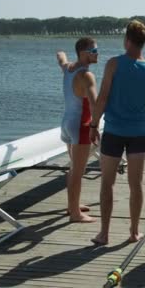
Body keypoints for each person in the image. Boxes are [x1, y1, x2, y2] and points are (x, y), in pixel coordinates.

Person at [89, 20, 145, 244]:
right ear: (143, 43)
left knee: (107, 183)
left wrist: (93, 124)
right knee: (135, 184)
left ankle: (104, 233)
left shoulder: (113, 64)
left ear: (127, 40)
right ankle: (133, 231)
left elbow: (102, 98)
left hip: (114, 131)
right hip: (139, 131)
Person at [56, 37, 99, 223]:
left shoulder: (68, 68)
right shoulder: (87, 76)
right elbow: (95, 103)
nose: (98, 54)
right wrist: (94, 126)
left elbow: (60, 57)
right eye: (94, 51)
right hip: (80, 124)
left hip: (66, 122)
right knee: (77, 171)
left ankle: (72, 206)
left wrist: (64, 57)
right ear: (84, 53)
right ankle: (75, 214)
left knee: (73, 168)